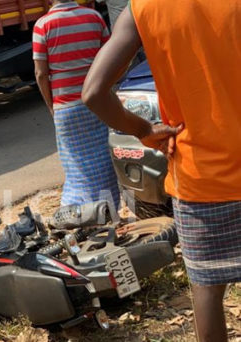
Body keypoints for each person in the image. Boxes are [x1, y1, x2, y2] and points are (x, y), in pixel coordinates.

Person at [82, 2, 241, 341]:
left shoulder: (144, 7)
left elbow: (94, 92)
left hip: (199, 179)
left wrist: (143, 130)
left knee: (207, 289)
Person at [32, 0, 119, 207]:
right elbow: (112, 60)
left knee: (76, 166)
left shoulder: (42, 25)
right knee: (104, 160)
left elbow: (41, 73)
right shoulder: (94, 17)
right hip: (98, 103)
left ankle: (81, 213)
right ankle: (110, 210)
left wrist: (51, 106)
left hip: (66, 106)